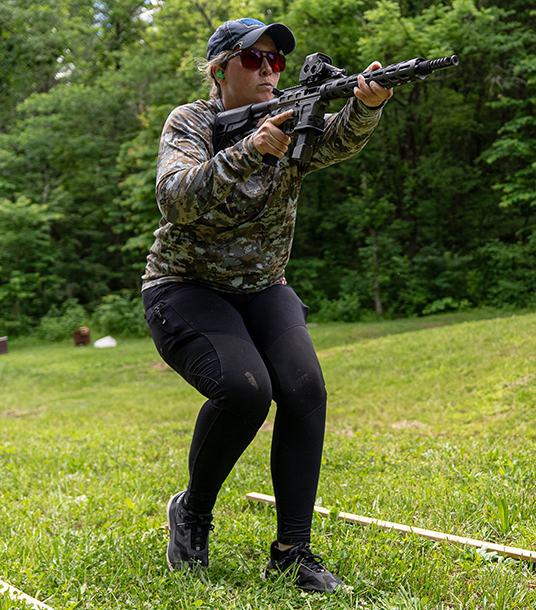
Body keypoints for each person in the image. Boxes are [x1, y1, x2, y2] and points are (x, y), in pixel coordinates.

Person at [141, 17, 393, 593]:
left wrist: (367, 106)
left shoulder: (292, 114)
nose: (268, 70)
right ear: (221, 69)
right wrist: (249, 151)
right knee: (246, 390)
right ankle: (193, 513)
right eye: (254, 60)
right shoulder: (193, 121)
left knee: (304, 388)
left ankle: (292, 553)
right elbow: (174, 198)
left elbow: (334, 142)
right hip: (184, 287)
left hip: (264, 287)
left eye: (275, 61)